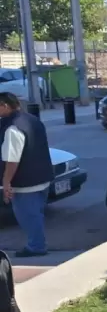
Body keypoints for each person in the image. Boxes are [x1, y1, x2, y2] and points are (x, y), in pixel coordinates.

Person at [0, 92, 53, 257]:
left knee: (28, 218)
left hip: (25, 183)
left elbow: (12, 160)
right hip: (42, 177)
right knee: (36, 215)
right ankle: (37, 244)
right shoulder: (32, 120)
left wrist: (6, 182)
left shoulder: (12, 128)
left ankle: (36, 247)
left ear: (5, 106)